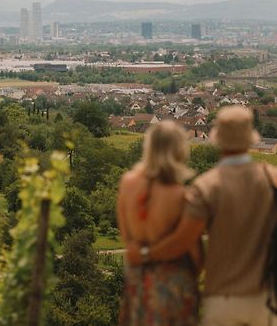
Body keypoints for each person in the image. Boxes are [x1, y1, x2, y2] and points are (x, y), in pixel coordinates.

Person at [127, 105, 277, 326]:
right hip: (266, 296)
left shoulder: (206, 186)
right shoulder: (271, 179)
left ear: (218, 140)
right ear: (250, 139)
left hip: (222, 298)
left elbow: (184, 241)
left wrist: (146, 254)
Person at [117, 120, 201, 326]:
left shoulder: (127, 183)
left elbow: (126, 234)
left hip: (136, 278)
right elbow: (193, 252)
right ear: (179, 151)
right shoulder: (180, 196)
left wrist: (140, 255)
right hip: (171, 285)